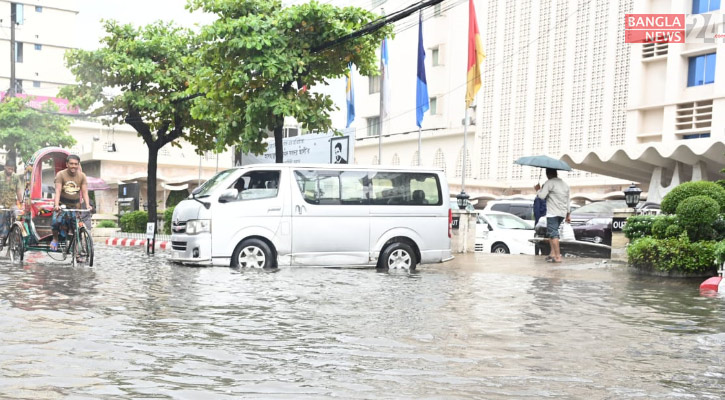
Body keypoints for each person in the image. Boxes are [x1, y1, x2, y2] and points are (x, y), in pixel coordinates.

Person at [51, 155, 91, 251]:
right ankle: (55, 239)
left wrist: (88, 205)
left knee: (77, 228)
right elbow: (58, 191)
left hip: (75, 206)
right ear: (67, 164)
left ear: (78, 165)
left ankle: (77, 250)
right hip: (62, 205)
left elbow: (85, 192)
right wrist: (56, 205)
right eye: (71, 164)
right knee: (56, 222)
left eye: (76, 164)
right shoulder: (60, 175)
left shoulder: (82, 176)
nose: (73, 166)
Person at [535, 168, 570, 263]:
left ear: (547, 174)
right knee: (551, 233)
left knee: (553, 234)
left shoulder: (549, 183)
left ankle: (557, 257)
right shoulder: (565, 184)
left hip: (552, 213)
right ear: (556, 173)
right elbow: (568, 200)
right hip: (562, 213)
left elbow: (542, 196)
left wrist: (538, 190)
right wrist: (568, 214)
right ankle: (552, 254)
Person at [0, 158, 23, 239]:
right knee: (1, 220)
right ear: (5, 167)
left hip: (12, 203)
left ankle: (16, 234)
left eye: (12, 169)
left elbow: (19, 191)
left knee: (19, 215)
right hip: (1, 204)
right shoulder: (0, 175)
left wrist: (21, 203)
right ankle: (2, 237)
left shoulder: (16, 177)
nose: (10, 170)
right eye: (9, 168)